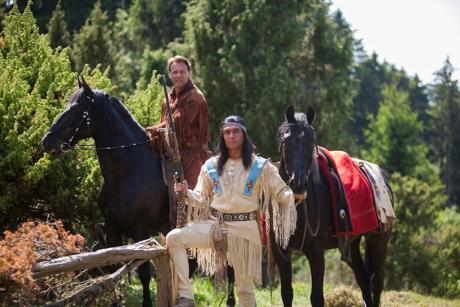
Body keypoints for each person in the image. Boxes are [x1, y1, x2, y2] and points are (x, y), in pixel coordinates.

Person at [166, 115, 307, 307]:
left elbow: (281, 191)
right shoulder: (210, 166)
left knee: (245, 292)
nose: (231, 135)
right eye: (227, 132)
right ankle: (186, 297)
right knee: (174, 238)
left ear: (244, 134)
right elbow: (200, 198)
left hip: (244, 232)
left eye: (235, 131)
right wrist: (186, 193)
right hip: (214, 227)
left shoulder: (261, 166)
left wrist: (295, 196)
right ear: (223, 136)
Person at [154, 55, 210, 190]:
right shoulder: (168, 99)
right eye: (174, 72)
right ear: (170, 74)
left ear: (188, 73)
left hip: (192, 156)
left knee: (193, 199)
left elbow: (177, 126)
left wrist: (152, 129)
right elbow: (164, 126)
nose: (178, 75)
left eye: (182, 71)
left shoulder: (196, 97)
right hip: (170, 156)